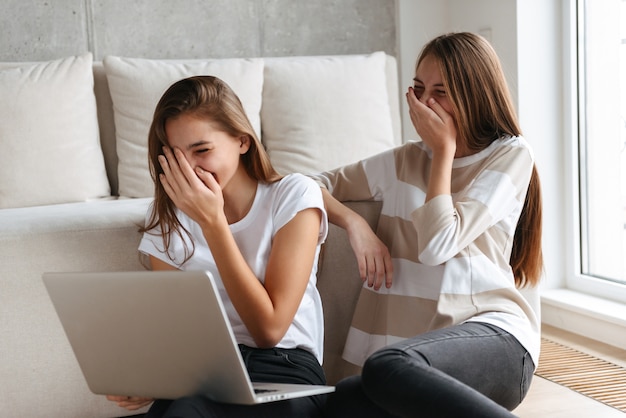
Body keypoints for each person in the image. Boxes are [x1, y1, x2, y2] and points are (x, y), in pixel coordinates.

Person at [316, 32, 543, 417]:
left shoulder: (509, 155)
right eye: (418, 89)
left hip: (494, 340)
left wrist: (443, 152)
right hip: (409, 365)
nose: (424, 104)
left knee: (388, 366)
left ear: (474, 95)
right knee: (342, 402)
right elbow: (306, 185)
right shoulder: (402, 161)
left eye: (441, 92)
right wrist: (355, 223)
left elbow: (438, 244)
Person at [105, 75, 329, 418]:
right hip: (206, 377)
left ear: (242, 141)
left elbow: (269, 329)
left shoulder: (293, 196)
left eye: (202, 150)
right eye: (177, 157)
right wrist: (152, 379)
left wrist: (213, 224)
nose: (191, 169)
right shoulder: (169, 221)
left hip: (285, 369)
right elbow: (183, 334)